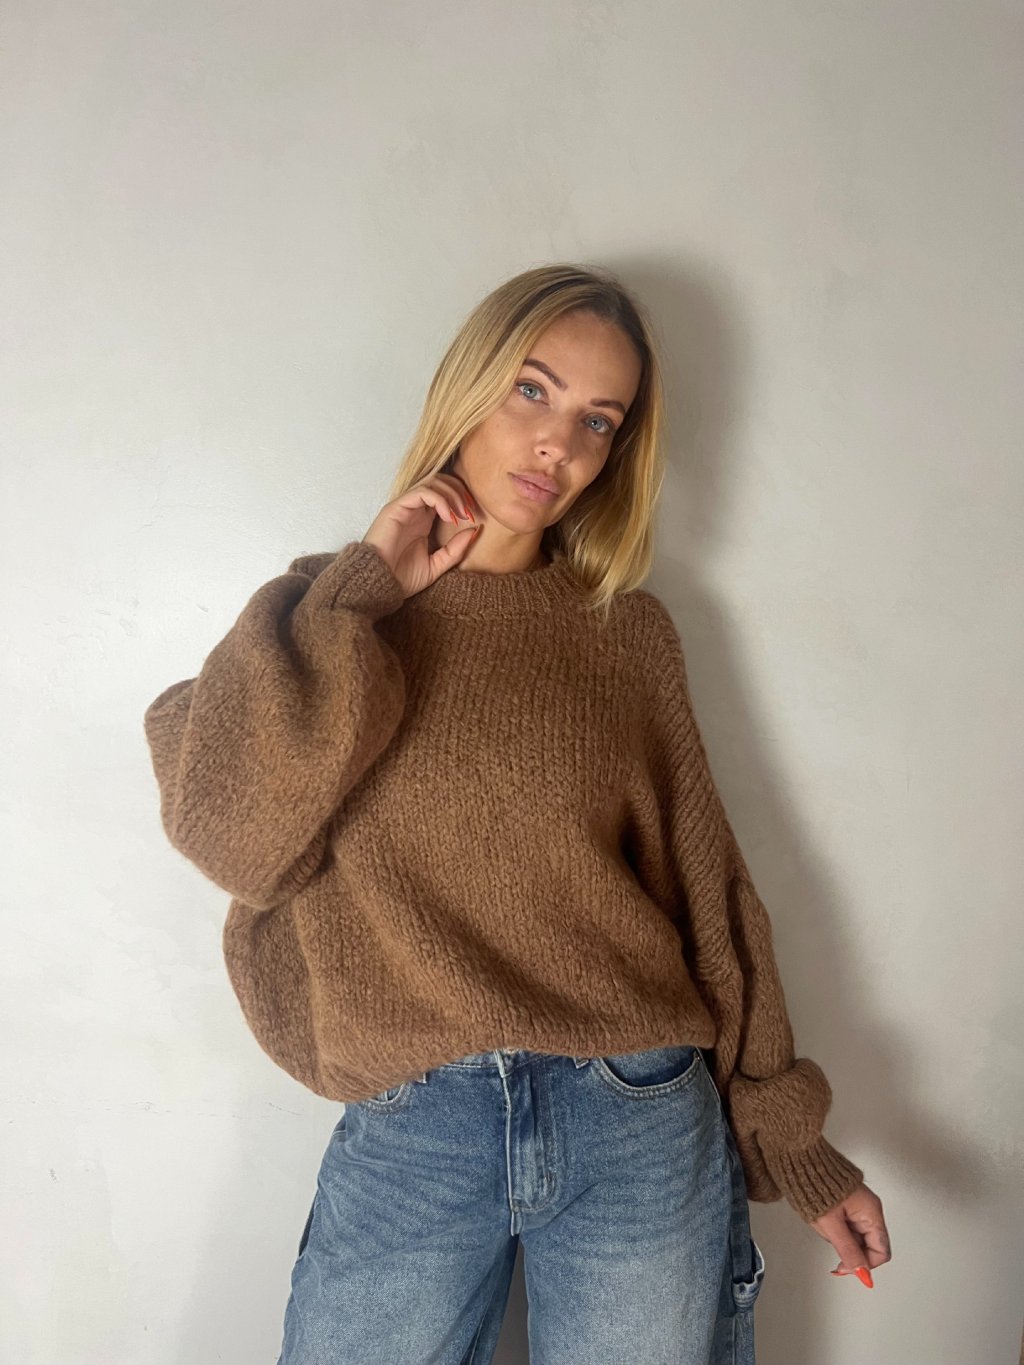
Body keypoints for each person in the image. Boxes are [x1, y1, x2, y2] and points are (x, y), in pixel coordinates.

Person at [143, 263, 890, 1363]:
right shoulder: (325, 621)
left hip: (635, 1109)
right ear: (467, 386)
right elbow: (229, 830)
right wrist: (366, 587)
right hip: (416, 1125)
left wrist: (797, 1149)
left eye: (598, 421)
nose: (558, 445)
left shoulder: (626, 636)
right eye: (531, 391)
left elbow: (712, 895)